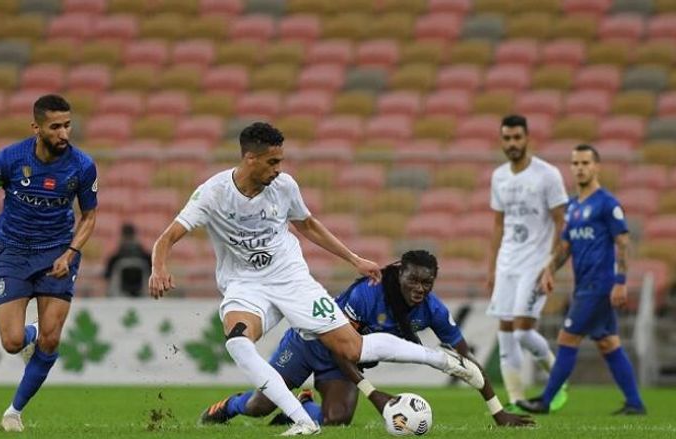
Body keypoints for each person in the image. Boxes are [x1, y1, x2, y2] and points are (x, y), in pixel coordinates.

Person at [148, 122, 484, 436]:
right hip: (246, 286)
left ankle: (441, 359)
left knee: (353, 348)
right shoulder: (212, 193)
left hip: (293, 280)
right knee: (238, 342)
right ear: (250, 158)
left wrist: (353, 259)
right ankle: (304, 421)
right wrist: (159, 268)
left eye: (281, 160)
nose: (278, 168)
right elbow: (167, 237)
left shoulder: (284, 187)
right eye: (272, 161)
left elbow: (308, 225)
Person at [199, 250, 535, 428]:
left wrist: (497, 410)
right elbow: (341, 346)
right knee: (260, 407)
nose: (420, 288)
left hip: (346, 361)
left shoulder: (432, 309)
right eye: (413, 280)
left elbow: (465, 359)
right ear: (398, 272)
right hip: (310, 344)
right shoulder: (367, 294)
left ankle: (303, 406)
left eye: (427, 283)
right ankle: (229, 405)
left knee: (338, 420)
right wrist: (373, 394)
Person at [0, 94, 98, 432]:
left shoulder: (82, 166)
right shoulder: (10, 159)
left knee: (51, 342)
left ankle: (13, 412)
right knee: (12, 343)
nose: (64, 134)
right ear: (36, 128)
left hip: (57, 253)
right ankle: (33, 334)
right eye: (55, 127)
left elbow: (89, 216)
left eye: (68, 125)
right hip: (13, 252)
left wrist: (69, 254)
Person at [517, 144, 646, 415]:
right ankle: (635, 403)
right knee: (608, 342)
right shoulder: (573, 207)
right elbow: (565, 247)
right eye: (575, 163)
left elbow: (623, 243)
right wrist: (549, 269)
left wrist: (621, 281)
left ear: (596, 167)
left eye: (586, 163)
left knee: (567, 338)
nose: (580, 168)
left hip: (599, 286)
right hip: (584, 285)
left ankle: (546, 401)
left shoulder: (607, 203)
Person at [486, 114, 569, 411]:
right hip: (507, 263)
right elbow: (498, 225)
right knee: (505, 333)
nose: (512, 143)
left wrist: (552, 264)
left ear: (527, 138)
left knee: (522, 330)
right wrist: (492, 268)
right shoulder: (499, 177)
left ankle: (558, 380)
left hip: (535, 265)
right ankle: (517, 399)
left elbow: (562, 223)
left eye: (517, 137)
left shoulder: (547, 175)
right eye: (507, 138)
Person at [104, 223, 151, 297]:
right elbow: (153, 271)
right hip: (142, 293)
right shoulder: (144, 255)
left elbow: (107, 275)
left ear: (122, 236)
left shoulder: (116, 256)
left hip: (119, 294)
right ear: (135, 236)